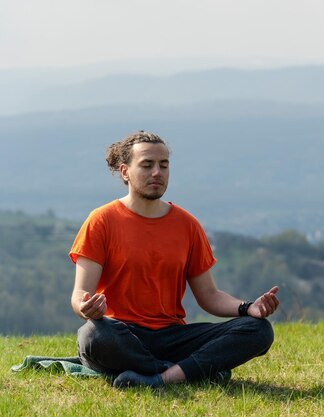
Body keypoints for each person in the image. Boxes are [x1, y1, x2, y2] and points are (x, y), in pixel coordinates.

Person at [69, 130, 279, 388]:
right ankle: (188, 371)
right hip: (121, 334)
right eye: (147, 165)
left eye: (163, 165)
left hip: (172, 336)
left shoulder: (187, 225)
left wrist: (248, 308)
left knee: (258, 330)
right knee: (92, 336)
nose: (157, 172)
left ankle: (162, 378)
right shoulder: (101, 220)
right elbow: (81, 294)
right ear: (125, 172)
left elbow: (209, 296)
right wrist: (85, 307)